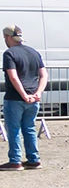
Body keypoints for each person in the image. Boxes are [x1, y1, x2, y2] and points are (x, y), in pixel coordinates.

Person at [3, 25, 47, 170]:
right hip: (34, 98)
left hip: (15, 98)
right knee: (29, 128)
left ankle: (15, 160)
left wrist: (23, 95)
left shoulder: (9, 54)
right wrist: (38, 93)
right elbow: (44, 75)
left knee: (14, 129)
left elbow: (13, 77)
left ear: (9, 37)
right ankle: (34, 159)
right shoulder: (34, 52)